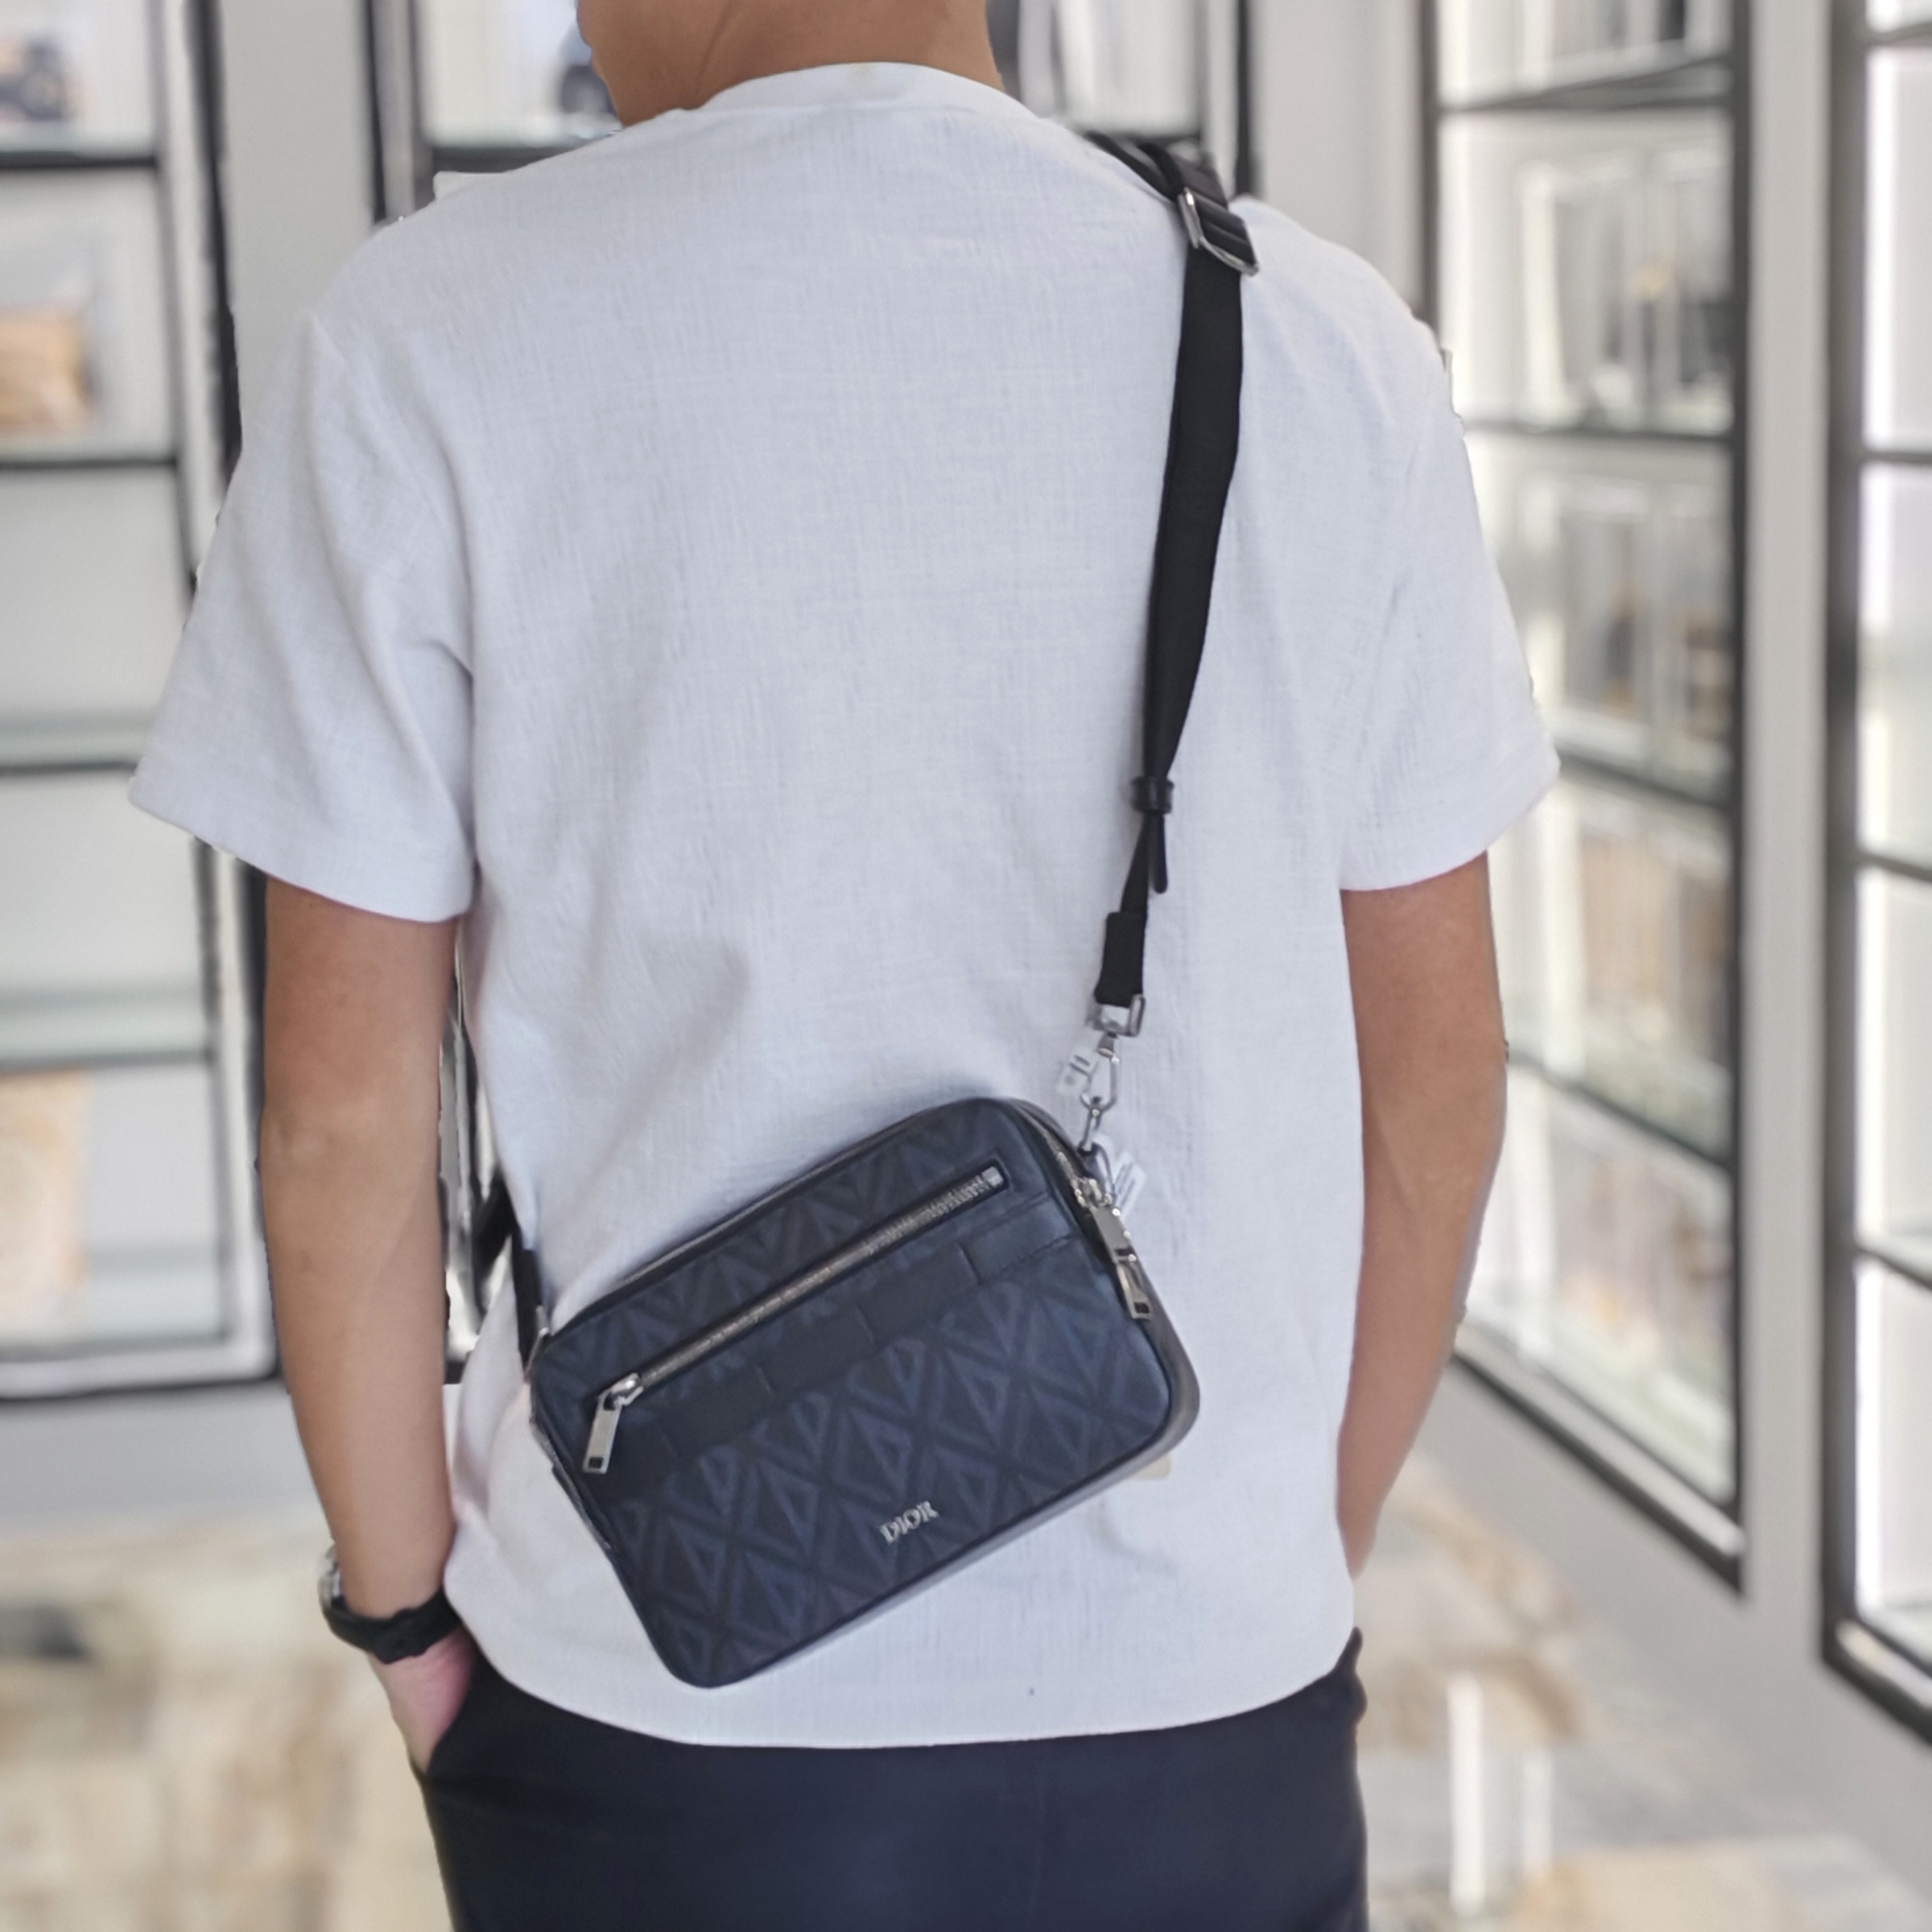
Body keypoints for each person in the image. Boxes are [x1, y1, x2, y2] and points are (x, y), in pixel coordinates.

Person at [130, 2, 1554, 1926]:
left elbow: (343, 1127)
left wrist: (404, 1628)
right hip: (1214, 1691)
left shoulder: (427, 334)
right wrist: (1305, 1542)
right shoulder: (1320, 335)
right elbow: (1437, 1093)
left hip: (652, 1683)